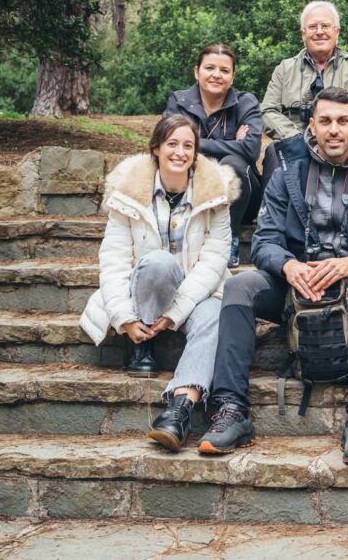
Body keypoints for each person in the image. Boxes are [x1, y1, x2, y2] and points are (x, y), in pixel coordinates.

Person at [197, 87, 348, 466]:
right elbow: (263, 242)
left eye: (342, 121)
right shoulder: (287, 175)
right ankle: (232, 409)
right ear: (311, 125)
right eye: (325, 121)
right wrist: (289, 267)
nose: (333, 130)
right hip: (296, 286)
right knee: (240, 285)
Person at [79, 115, 239, 452]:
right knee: (159, 261)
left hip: (196, 291)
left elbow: (214, 262)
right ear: (156, 148)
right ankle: (143, 344)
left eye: (188, 145)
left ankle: (179, 411)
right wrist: (124, 317)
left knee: (215, 314)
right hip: (144, 292)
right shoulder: (128, 194)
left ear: (196, 153)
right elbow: (114, 259)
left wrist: (177, 312)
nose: (180, 152)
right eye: (172, 144)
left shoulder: (216, 196)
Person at [165, 43, 263, 268]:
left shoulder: (246, 103)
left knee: (232, 165)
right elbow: (169, 145)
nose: (216, 75)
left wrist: (194, 143)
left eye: (224, 70)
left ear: (232, 77)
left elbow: (250, 150)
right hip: (190, 191)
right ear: (196, 72)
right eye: (210, 68)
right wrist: (231, 143)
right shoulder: (179, 102)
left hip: (243, 199)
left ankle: (230, 239)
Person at [259, 1, 348, 184]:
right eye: (313, 27)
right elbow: (268, 111)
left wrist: (338, 135)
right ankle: (270, 211)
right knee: (274, 151)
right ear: (303, 33)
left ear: (336, 32)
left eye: (325, 26)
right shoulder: (284, 69)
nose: (319, 31)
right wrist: (296, 137)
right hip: (294, 139)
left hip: (341, 142)